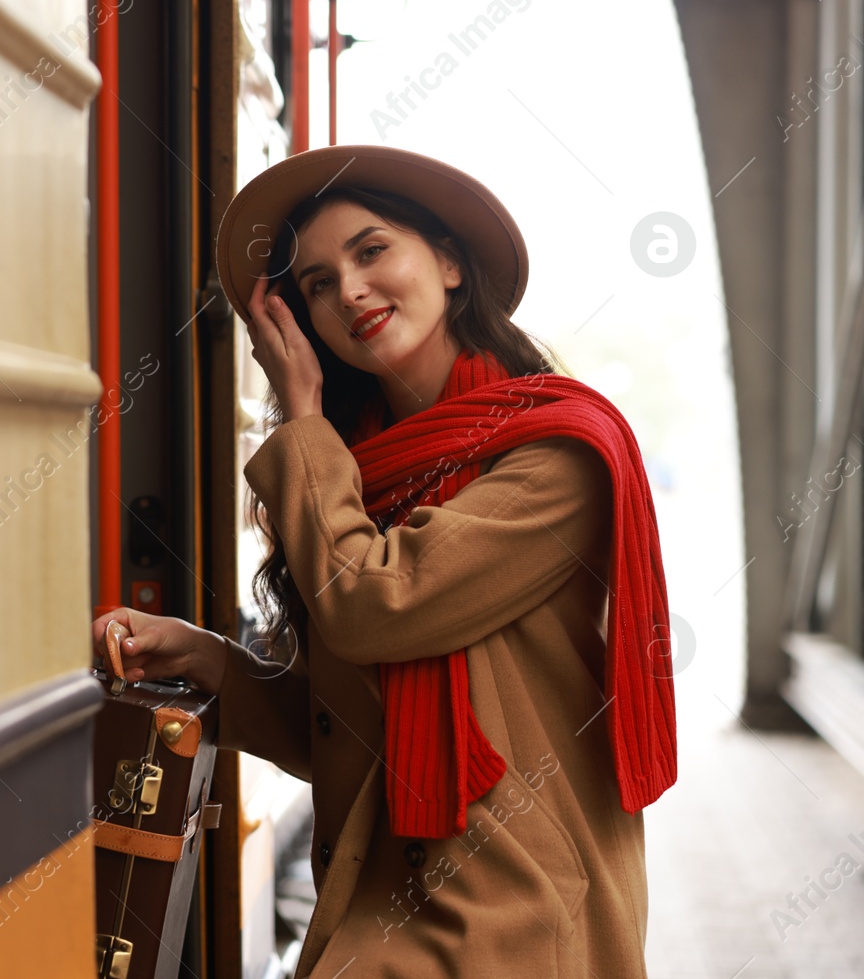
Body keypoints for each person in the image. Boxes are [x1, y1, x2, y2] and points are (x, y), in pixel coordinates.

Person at [90, 146, 678, 977]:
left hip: (511, 919)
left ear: (448, 264)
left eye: (371, 252)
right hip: (385, 912)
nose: (351, 290)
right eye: (320, 283)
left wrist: (298, 415)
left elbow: (375, 606)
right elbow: (351, 733)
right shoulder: (353, 475)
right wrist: (209, 661)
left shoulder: (557, 455)